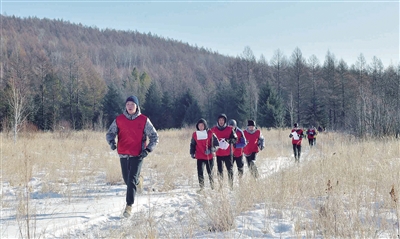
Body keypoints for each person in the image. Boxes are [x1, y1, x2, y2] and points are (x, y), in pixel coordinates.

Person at [106, 95, 159, 218]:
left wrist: (147, 150)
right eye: (128, 104)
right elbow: (110, 133)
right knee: (127, 180)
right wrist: (112, 143)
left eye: (132, 104)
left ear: (137, 106)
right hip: (123, 153)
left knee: (130, 180)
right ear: (125, 106)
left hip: (138, 154)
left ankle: (128, 206)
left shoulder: (144, 120)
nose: (130, 107)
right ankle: (139, 181)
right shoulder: (119, 120)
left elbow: (155, 137)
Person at [190, 118, 219, 192]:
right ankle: (201, 187)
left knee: (210, 172)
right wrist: (192, 153)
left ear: (205, 125)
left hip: (209, 156)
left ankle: (212, 187)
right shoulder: (195, 134)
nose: (201, 127)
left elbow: (217, 144)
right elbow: (192, 144)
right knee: (200, 172)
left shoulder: (211, 133)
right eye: (199, 125)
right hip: (200, 156)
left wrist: (211, 150)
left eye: (202, 125)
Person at [211, 114, 237, 189]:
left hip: (228, 153)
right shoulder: (213, 130)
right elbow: (209, 139)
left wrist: (228, 140)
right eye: (220, 120)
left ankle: (231, 186)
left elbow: (235, 139)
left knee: (230, 170)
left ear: (225, 121)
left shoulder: (230, 129)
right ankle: (220, 186)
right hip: (218, 153)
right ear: (218, 121)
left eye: (222, 120)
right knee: (220, 171)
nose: (221, 122)